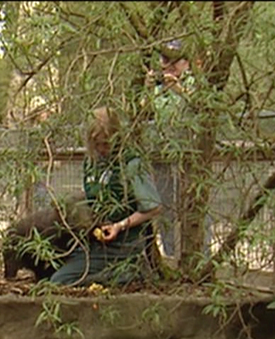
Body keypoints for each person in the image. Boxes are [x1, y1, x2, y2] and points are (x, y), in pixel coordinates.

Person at [48, 107, 162, 287]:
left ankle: (130, 273)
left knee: (61, 281)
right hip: (96, 242)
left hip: (123, 245)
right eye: (97, 144)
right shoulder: (91, 162)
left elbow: (154, 208)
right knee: (51, 273)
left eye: (106, 144)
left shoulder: (130, 162)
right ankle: (115, 276)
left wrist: (119, 226)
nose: (102, 149)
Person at [144, 39, 196, 260]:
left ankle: (195, 254)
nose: (170, 66)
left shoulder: (194, 83)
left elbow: (202, 108)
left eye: (175, 61)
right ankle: (171, 254)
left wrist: (179, 89)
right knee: (164, 207)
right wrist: (148, 89)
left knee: (191, 206)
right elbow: (143, 113)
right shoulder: (158, 86)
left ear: (186, 62)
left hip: (189, 157)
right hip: (161, 155)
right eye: (166, 60)